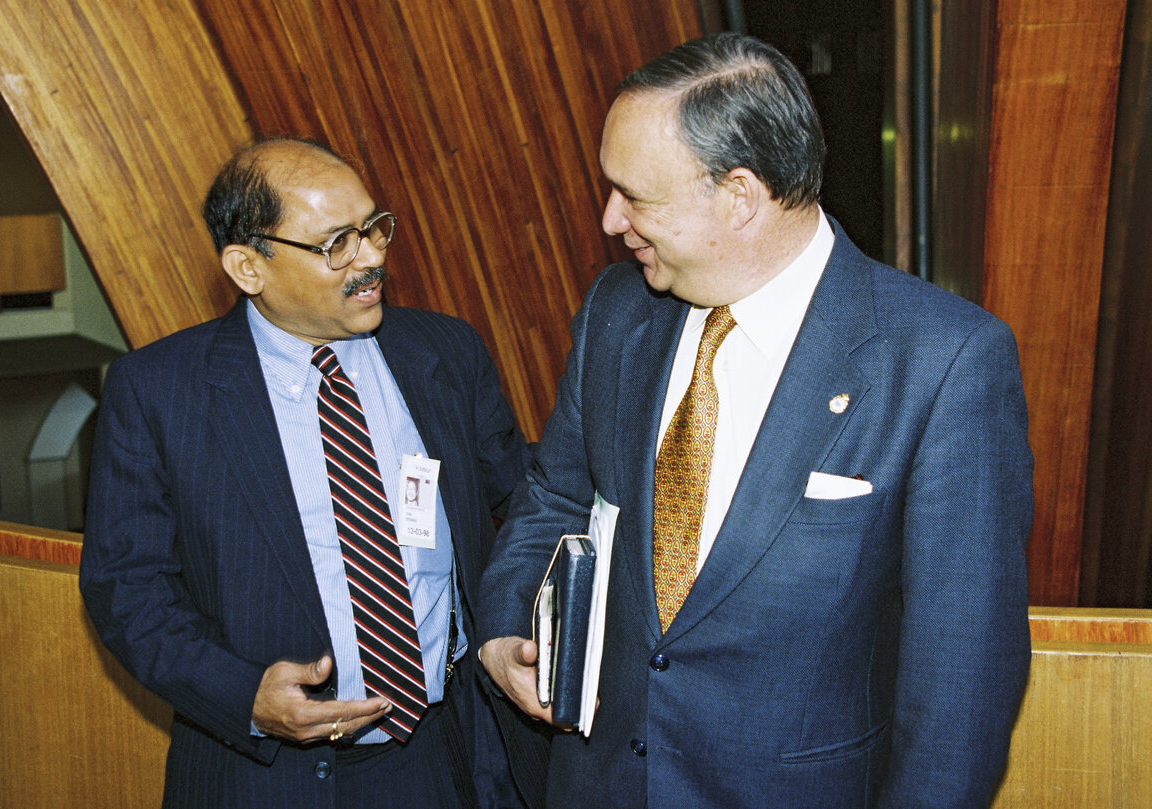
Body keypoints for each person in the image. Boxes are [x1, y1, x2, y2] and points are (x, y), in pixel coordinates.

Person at [478, 32, 1032, 809]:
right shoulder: (618, 313)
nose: (609, 219)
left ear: (739, 196)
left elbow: (961, 691)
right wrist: (505, 628)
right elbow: (554, 498)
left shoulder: (943, 362)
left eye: (634, 195)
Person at [80, 138, 540, 809]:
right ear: (247, 266)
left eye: (374, 227)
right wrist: (244, 696)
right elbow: (127, 589)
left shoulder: (444, 350)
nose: (373, 257)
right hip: (266, 775)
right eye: (336, 244)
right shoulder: (160, 391)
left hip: (450, 756)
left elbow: (525, 497)